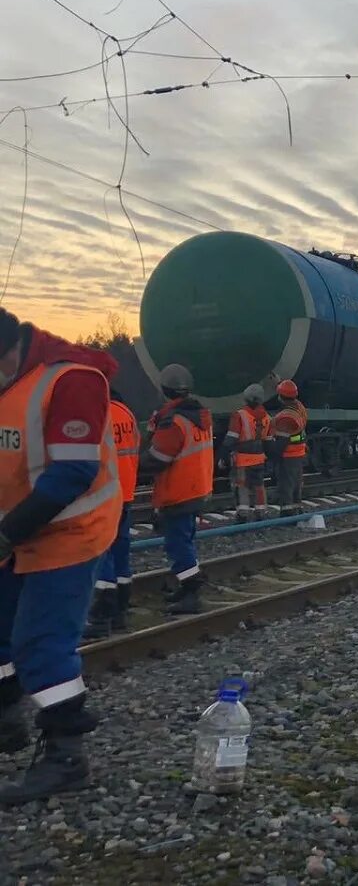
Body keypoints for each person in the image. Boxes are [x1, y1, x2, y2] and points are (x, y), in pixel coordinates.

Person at [0, 308, 122, 803]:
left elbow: (69, 476)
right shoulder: (11, 381)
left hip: (71, 528)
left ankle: (67, 756)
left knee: (40, 644)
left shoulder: (73, 381)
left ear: (7, 353)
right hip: (16, 525)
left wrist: (7, 535)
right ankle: (7, 720)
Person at [141, 364, 214, 615]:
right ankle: (187, 586)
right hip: (197, 488)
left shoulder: (173, 422)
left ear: (165, 390)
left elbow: (157, 458)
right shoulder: (200, 416)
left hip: (178, 491)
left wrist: (131, 466)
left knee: (177, 544)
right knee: (185, 539)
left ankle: (192, 591)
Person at [82, 385, 140, 639]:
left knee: (101, 551)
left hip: (104, 494)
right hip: (125, 492)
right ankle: (119, 612)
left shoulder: (99, 414)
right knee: (120, 549)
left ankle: (100, 615)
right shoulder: (126, 413)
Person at [221, 384, 272, 522]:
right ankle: (261, 512)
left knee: (241, 485)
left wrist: (223, 456)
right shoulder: (267, 417)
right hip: (259, 459)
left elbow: (231, 438)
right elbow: (268, 441)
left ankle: (243, 514)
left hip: (242, 460)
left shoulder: (240, 415)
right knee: (259, 485)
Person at [271, 379, 307, 516]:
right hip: (299, 452)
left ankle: (287, 513)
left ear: (280, 397)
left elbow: (282, 441)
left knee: (286, 485)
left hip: (289, 454)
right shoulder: (299, 406)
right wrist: (279, 381)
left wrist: (273, 455)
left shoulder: (286, 417)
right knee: (296, 483)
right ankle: (297, 509)